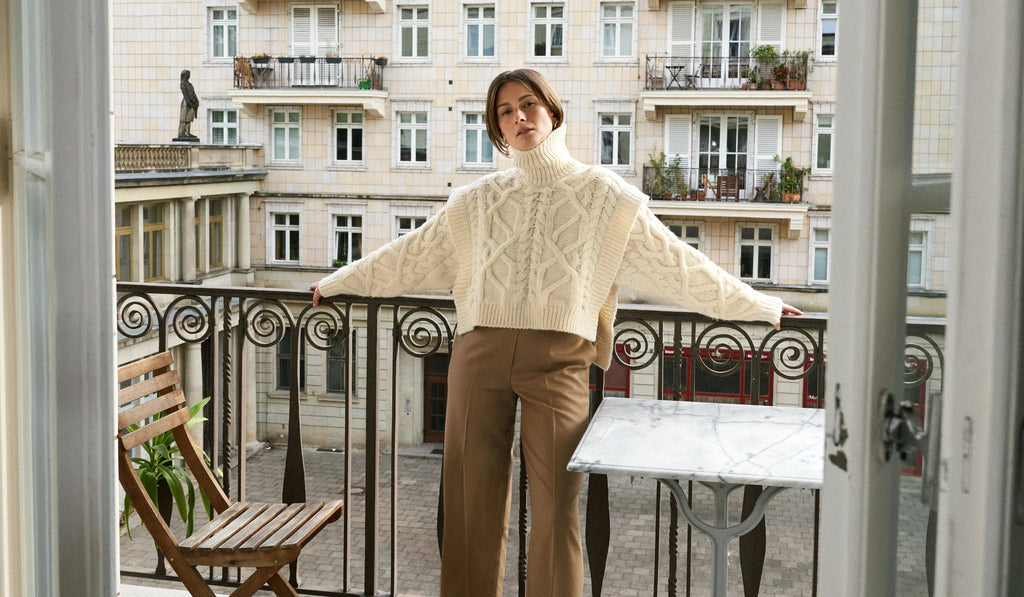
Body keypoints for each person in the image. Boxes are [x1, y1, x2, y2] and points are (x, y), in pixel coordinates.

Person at [310, 68, 801, 597]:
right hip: (478, 356)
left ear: (553, 110)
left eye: (528, 104)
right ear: (496, 128)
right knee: (469, 505)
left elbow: (677, 267)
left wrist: (759, 304)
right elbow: (408, 256)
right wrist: (339, 282)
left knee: (557, 509)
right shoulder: (474, 201)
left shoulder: (605, 197)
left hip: (560, 361)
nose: (518, 117)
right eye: (504, 111)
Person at [176, 69, 200, 141]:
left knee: (189, 119)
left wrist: (196, 101)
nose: (188, 76)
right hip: (186, 103)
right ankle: (182, 133)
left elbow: (193, 93)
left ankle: (187, 132)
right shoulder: (183, 84)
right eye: (187, 74)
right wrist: (190, 103)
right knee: (184, 119)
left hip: (191, 102)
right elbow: (185, 95)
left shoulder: (190, 84)